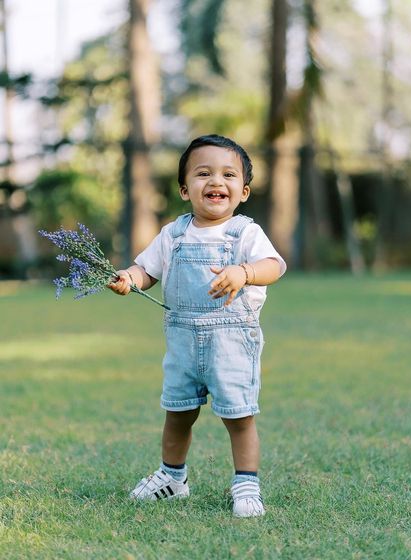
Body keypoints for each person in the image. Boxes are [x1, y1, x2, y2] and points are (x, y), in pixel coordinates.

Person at [109, 134, 286, 517]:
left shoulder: (246, 233)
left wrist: (245, 271)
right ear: (185, 189)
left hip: (232, 343)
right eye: (203, 173)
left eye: (228, 174)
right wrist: (130, 277)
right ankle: (172, 478)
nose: (216, 182)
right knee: (178, 413)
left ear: (244, 190)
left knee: (238, 416)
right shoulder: (173, 234)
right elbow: (148, 270)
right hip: (183, 344)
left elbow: (275, 266)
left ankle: (246, 485)